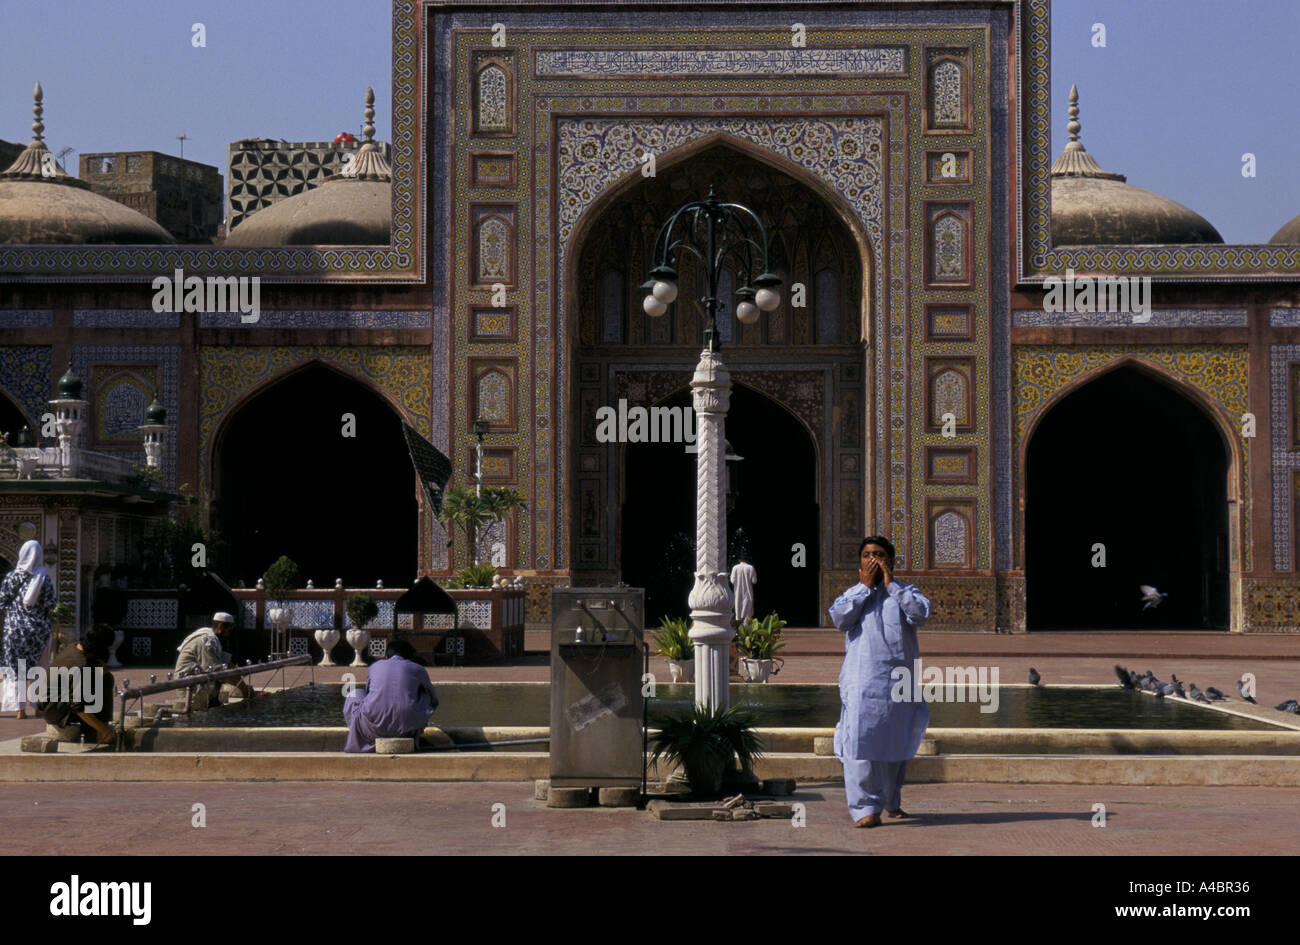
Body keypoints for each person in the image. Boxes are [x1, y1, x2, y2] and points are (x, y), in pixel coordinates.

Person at [829, 536, 931, 828]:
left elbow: (921, 613)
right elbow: (839, 619)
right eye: (867, 555)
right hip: (863, 679)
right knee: (858, 740)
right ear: (859, 562)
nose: (873, 560)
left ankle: (891, 800)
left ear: (891, 561)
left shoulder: (905, 592)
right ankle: (864, 808)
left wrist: (892, 586)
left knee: (896, 740)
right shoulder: (851, 595)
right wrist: (864, 588)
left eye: (879, 555)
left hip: (899, 678)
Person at [343, 639, 438, 753]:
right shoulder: (418, 669)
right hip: (407, 731)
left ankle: (360, 739)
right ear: (409, 657)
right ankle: (414, 732)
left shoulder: (375, 666)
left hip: (372, 730)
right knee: (425, 694)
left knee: (355, 693)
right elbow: (433, 700)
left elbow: (368, 693)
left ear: (386, 656)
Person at [0, 539, 56, 718]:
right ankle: (38, 707)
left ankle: (19, 709)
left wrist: (16, 612)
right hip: (38, 630)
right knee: (39, 667)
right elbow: (50, 603)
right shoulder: (44, 578)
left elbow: (2, 601)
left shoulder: (11, 577)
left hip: (14, 630)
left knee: (17, 669)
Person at [37, 624, 116, 746]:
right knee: (102, 682)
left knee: (105, 677)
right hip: (53, 710)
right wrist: (104, 729)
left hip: (56, 702)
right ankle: (98, 731)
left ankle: (96, 728)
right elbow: (78, 707)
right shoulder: (80, 665)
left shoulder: (74, 647)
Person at [174, 612, 251, 709]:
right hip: (190, 687)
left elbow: (228, 665)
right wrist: (245, 691)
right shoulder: (207, 640)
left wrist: (246, 689)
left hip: (198, 683)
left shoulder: (214, 639)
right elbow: (216, 670)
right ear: (221, 626)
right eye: (229, 631)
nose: (228, 634)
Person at [729, 556, 757, 624]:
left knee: (738, 609)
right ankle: (747, 629)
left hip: (738, 592)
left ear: (739, 560)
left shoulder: (735, 568)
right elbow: (754, 581)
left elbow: (732, 581)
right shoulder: (750, 568)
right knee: (747, 610)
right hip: (748, 592)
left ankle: (738, 628)